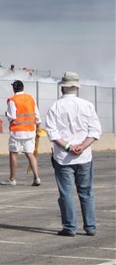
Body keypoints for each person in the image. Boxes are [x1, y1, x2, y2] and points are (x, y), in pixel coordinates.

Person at [45, 71, 102, 237]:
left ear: (62, 88)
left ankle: (70, 227)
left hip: (63, 158)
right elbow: (95, 131)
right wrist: (82, 147)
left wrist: (69, 147)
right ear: (77, 87)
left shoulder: (55, 107)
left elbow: (53, 134)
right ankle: (90, 226)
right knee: (86, 192)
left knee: (66, 194)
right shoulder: (87, 105)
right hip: (84, 157)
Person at [1, 80, 41, 186]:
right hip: (30, 131)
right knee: (30, 154)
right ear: (23, 88)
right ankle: (37, 178)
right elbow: (37, 115)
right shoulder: (30, 98)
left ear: (14, 88)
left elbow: (12, 117)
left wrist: (6, 114)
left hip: (17, 131)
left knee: (14, 153)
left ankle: (12, 179)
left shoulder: (12, 100)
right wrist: (38, 128)